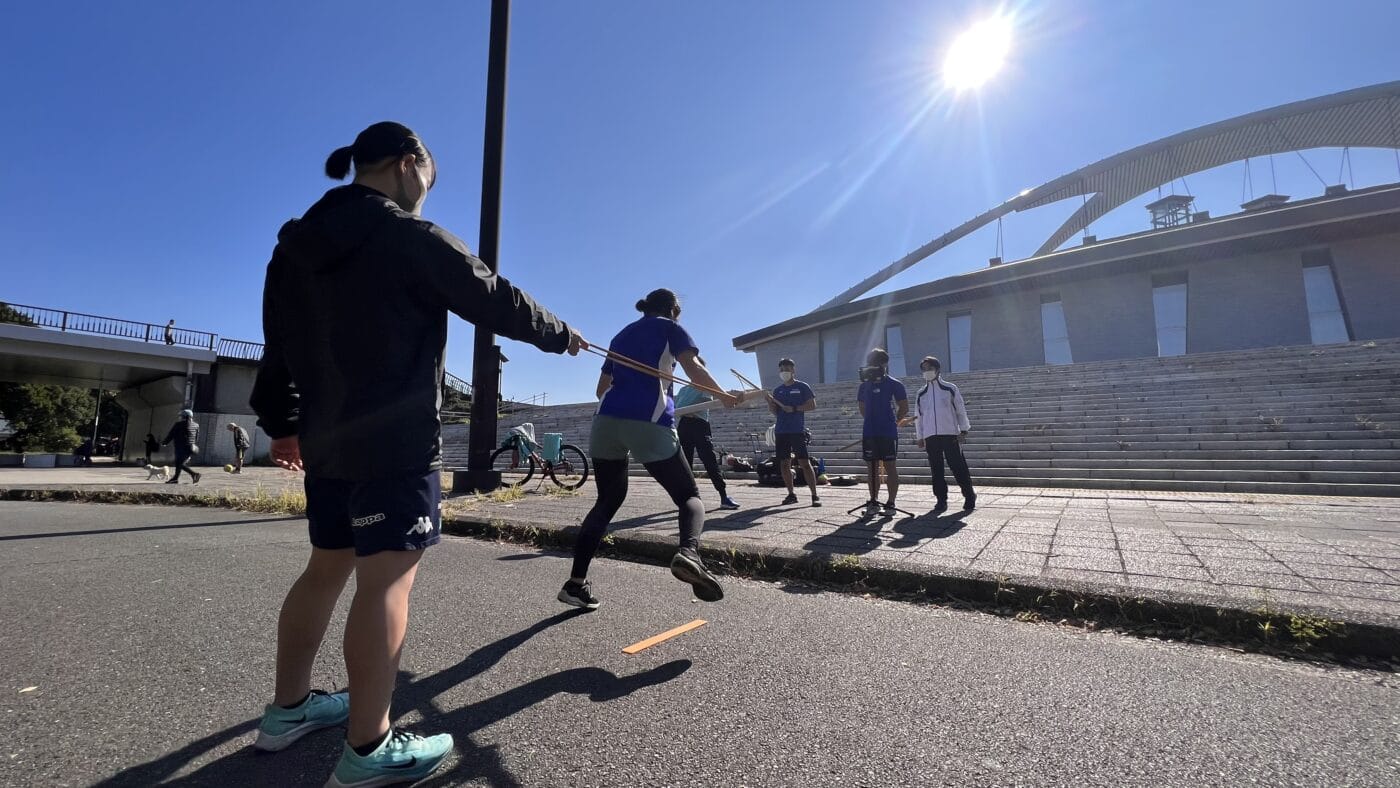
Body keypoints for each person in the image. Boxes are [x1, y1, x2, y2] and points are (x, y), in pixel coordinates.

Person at [249, 121, 586, 787]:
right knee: (385, 581)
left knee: (325, 570)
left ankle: (288, 712)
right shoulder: (409, 236)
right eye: (429, 177)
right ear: (409, 164)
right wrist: (560, 334)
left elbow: (277, 342)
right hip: (396, 440)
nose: (428, 191)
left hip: (327, 439)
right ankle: (369, 751)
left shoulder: (297, 248)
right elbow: (492, 295)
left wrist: (282, 422)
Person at [560, 288, 739, 612]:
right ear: (673, 310)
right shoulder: (672, 329)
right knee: (689, 497)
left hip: (606, 423)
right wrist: (725, 395)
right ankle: (689, 553)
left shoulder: (620, 335)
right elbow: (695, 372)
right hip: (649, 420)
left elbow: (600, 389)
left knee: (607, 501)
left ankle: (576, 584)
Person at [914, 356, 976, 512]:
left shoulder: (950, 388)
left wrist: (964, 429)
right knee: (936, 469)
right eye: (924, 369)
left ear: (937, 369)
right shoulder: (921, 393)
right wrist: (920, 437)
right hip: (930, 436)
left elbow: (960, 410)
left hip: (950, 433)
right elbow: (918, 417)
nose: (927, 372)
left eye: (930, 368)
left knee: (958, 466)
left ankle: (969, 495)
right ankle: (941, 500)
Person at [675, 367, 741, 510]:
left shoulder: (704, 386)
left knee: (709, 459)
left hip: (699, 425)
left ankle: (723, 496)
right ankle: (688, 498)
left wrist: (731, 395)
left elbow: (716, 396)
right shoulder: (683, 390)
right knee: (685, 461)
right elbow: (678, 406)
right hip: (684, 424)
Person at [857, 348, 908, 515]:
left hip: (887, 432)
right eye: (872, 363)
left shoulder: (894, 383)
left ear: (885, 364)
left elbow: (904, 405)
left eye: (878, 363)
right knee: (871, 467)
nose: (874, 366)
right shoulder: (864, 385)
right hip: (870, 431)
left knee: (890, 466)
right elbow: (862, 408)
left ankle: (891, 503)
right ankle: (873, 501)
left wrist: (896, 420)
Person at [768, 358, 820, 507]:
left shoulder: (802, 387)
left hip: (797, 431)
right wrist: (770, 404)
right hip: (781, 431)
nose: (784, 371)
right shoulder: (777, 390)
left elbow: (812, 405)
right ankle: (791, 494)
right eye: (782, 369)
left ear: (793, 370)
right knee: (784, 464)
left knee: (804, 462)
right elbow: (776, 412)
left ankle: (814, 495)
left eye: (787, 368)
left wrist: (795, 408)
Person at [161, 409, 201, 483]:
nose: (180, 417)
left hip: (181, 447)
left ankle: (194, 474)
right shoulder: (196, 425)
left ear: (185, 416)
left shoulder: (178, 424)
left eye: (181, 416)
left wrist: (164, 443)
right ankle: (175, 479)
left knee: (179, 463)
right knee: (179, 463)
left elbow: (171, 434)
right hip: (191, 447)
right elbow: (196, 438)